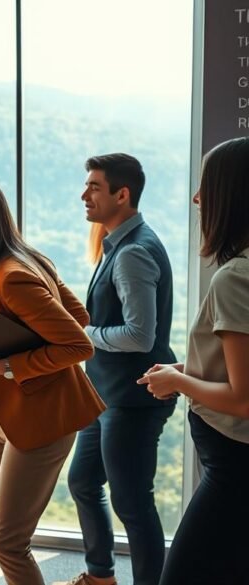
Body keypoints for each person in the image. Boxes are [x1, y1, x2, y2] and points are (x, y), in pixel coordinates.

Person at [0, 179, 105, 585]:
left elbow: (79, 343)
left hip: (43, 418)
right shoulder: (15, 262)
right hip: (8, 411)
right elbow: (79, 315)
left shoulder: (12, 275)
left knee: (9, 544)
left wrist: (2, 366)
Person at [58, 154, 176, 585]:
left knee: (132, 504)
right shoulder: (118, 244)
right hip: (105, 394)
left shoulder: (133, 253)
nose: (84, 194)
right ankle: (101, 577)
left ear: (121, 195)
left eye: (93, 186)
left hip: (132, 398)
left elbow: (139, 336)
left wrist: (83, 336)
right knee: (83, 482)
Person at [139, 136, 249, 585]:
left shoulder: (235, 277)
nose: (197, 197)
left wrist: (178, 383)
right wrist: (186, 370)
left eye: (206, 185)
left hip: (234, 469)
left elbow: (243, 400)